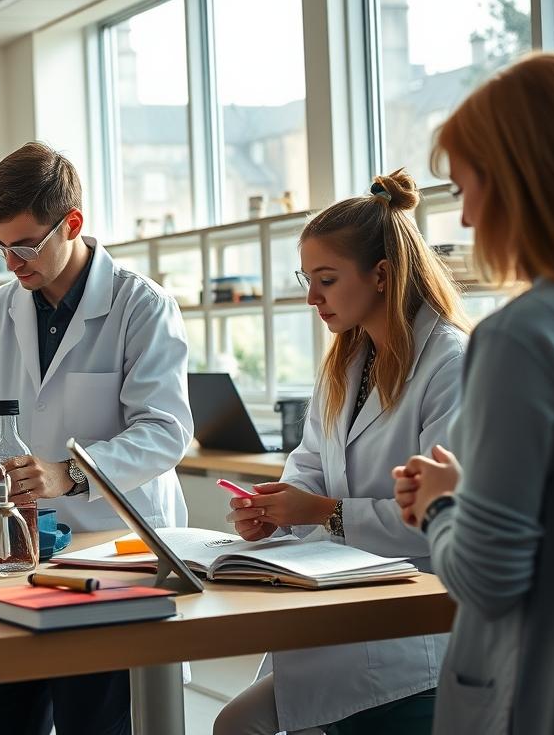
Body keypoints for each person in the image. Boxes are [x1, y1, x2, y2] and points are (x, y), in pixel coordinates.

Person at [0, 142, 193, 735]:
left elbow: (166, 431)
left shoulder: (140, 305)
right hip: (17, 553)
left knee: (93, 721)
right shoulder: (0, 309)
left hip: (110, 553)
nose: (11, 262)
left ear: (71, 224)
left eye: (24, 245)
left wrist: (69, 472)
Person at [393, 52, 554, 735]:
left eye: (464, 187)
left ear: (519, 184)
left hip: (546, 696)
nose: (465, 220)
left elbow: (488, 580)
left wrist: (440, 504)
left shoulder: (524, 339)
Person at [214, 168, 468, 735]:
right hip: (338, 611)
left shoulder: (450, 363)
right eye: (307, 279)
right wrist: (269, 513)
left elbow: (440, 519)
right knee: (235, 724)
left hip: (411, 633)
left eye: (325, 279)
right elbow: (305, 468)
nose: (312, 298)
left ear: (381, 275)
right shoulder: (348, 364)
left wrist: (320, 512)